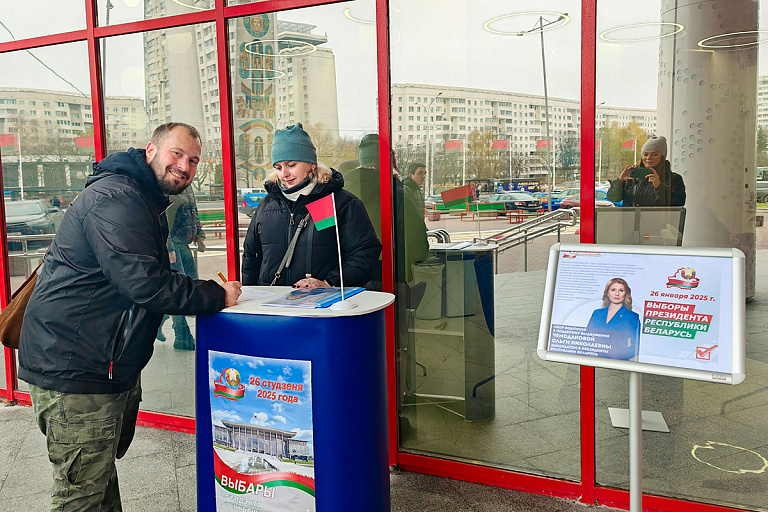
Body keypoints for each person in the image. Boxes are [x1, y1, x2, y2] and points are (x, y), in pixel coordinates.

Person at [18, 122, 243, 511]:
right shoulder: (118, 198)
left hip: (90, 362)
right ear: (151, 150)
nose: (185, 166)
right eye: (177, 153)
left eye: (193, 160)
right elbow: (145, 284)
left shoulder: (137, 195)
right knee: (81, 497)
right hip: (78, 370)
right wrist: (216, 294)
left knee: (96, 485)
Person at [241, 123, 381, 288]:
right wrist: (251, 297)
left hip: (322, 307)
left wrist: (329, 283)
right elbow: (251, 256)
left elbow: (364, 254)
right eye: (278, 167)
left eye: (291, 165)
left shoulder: (342, 203)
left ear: (312, 164)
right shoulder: (267, 205)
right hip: (272, 307)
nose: (284, 174)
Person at [156, 186, 206, 350]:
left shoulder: (186, 186)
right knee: (180, 289)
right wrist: (169, 247)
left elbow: (193, 212)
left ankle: (158, 320)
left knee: (189, 282)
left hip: (183, 242)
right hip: (175, 242)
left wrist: (199, 236)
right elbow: (162, 218)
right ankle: (182, 335)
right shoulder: (168, 184)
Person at [607, 135, 686, 207]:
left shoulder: (674, 178)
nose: (649, 158)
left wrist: (659, 186)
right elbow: (613, 198)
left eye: (654, 154)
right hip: (630, 222)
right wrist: (620, 181)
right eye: (645, 154)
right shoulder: (633, 177)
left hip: (657, 222)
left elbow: (679, 202)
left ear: (662, 157)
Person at [586, 277, 641, 360]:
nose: (617, 294)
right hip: (593, 360)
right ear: (608, 293)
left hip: (616, 364)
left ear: (626, 293)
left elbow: (636, 346)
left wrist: (619, 355)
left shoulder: (632, 317)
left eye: (621, 290)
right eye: (613, 290)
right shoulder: (597, 313)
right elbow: (587, 338)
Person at [402, 162, 429, 283]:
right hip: (411, 237)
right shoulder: (406, 189)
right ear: (410, 175)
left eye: (425, 173)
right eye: (420, 173)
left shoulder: (418, 190)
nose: (423, 176)